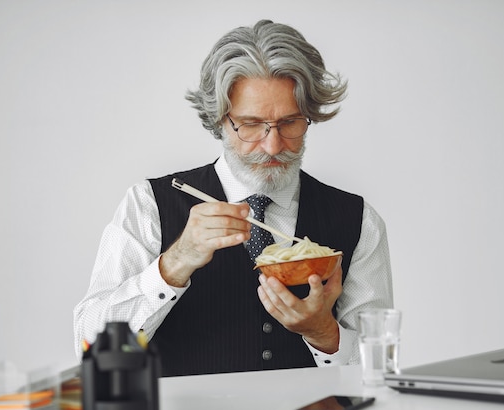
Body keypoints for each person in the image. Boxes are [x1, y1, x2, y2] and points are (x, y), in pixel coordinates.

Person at [73, 19, 394, 377]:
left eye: (290, 122)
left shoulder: (358, 220)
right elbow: (91, 348)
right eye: (252, 124)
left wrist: (323, 333)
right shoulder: (148, 205)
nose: (273, 146)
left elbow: (378, 374)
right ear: (220, 120)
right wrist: (174, 264)